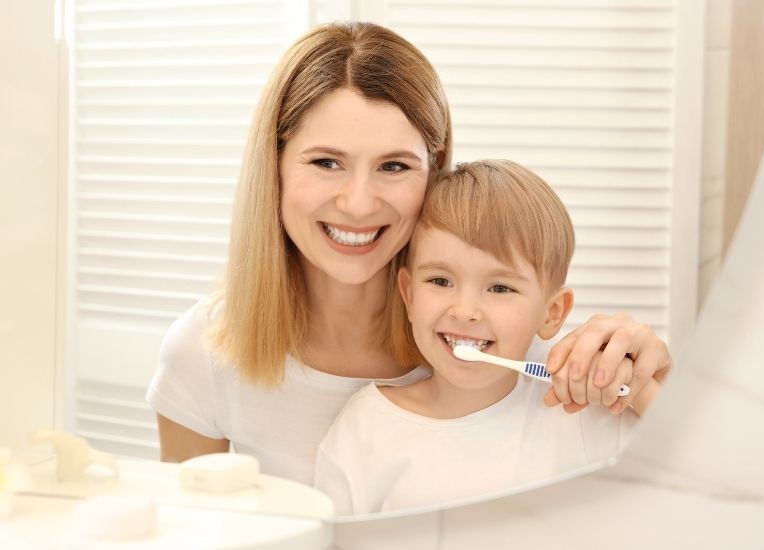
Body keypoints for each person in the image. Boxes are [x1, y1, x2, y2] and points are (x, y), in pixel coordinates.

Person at [146, 22, 671, 487]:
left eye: (394, 166)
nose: (357, 202)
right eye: (326, 162)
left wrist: (660, 387)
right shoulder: (203, 355)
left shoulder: (508, 350)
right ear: (275, 167)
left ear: (434, 170)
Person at [313, 160, 659, 515]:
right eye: (440, 281)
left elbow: (700, 482)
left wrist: (641, 388)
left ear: (553, 313)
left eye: (499, 287)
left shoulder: (584, 417)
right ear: (409, 295)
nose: (465, 311)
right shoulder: (367, 429)